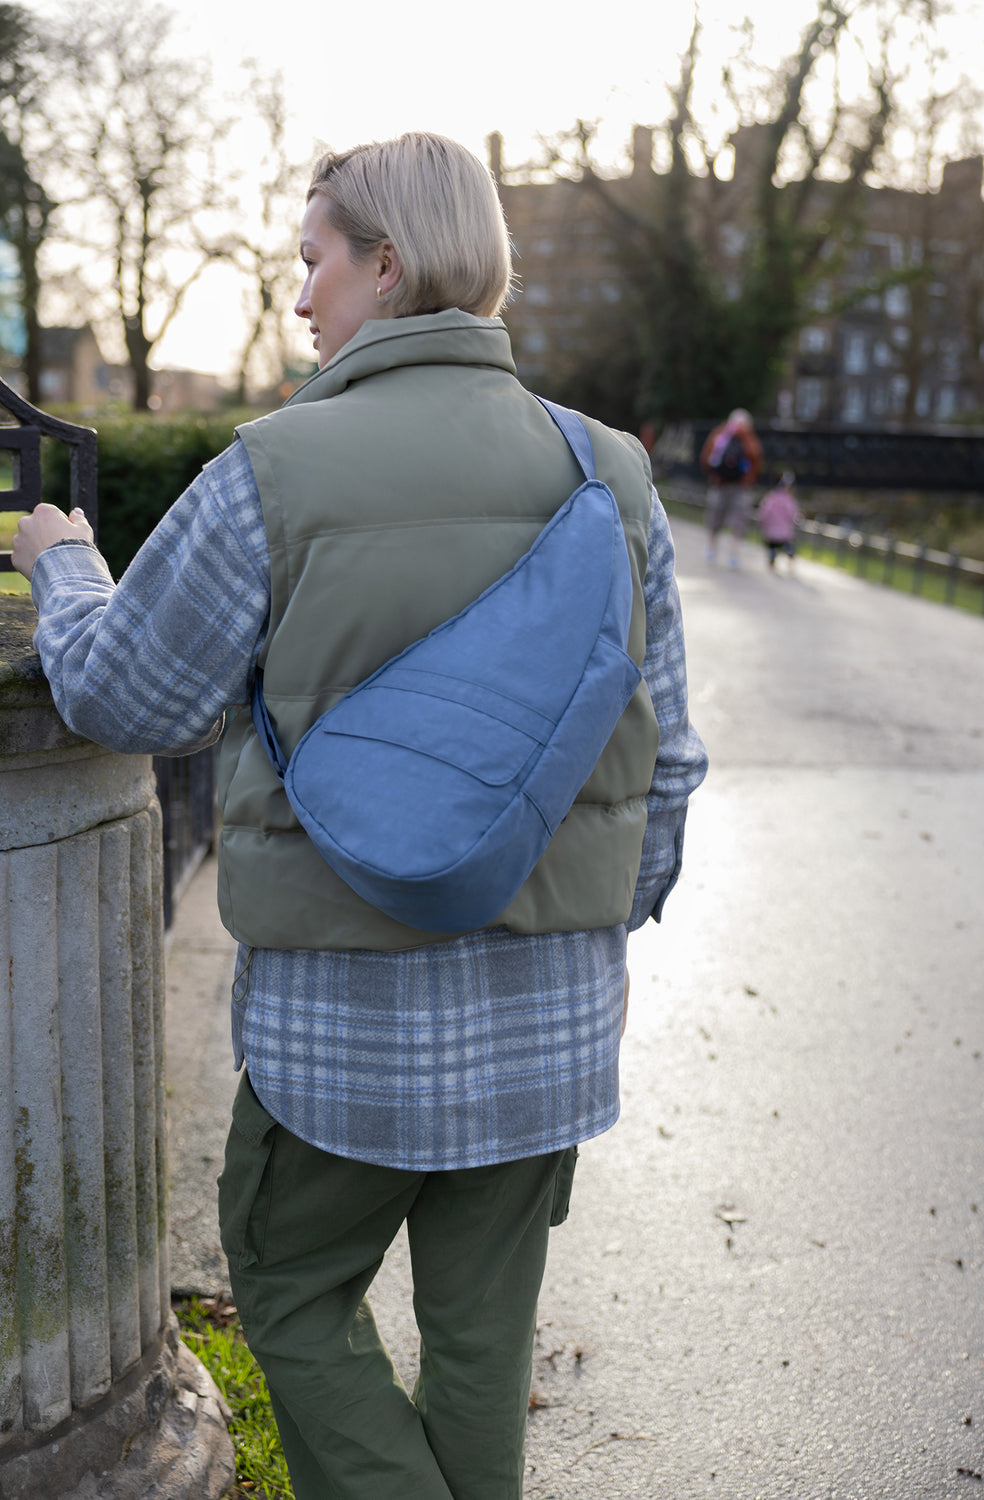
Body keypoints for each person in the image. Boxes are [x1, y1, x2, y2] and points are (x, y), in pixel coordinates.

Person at [14, 132, 708, 1500]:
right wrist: (612, 939)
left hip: (343, 1028)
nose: (298, 295)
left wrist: (63, 563)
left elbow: (126, 694)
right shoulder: (609, 475)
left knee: (287, 1289)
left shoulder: (275, 470)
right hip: (548, 1019)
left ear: (387, 264)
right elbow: (668, 758)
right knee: (479, 1343)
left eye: (313, 259)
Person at [699, 406, 763, 568]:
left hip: (724, 484)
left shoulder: (720, 434)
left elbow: (707, 457)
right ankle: (731, 554)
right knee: (735, 520)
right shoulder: (747, 438)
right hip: (736, 486)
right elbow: (756, 460)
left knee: (718, 517)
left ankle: (713, 550)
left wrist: (713, 474)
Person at [757, 471, 801, 571]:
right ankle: (791, 562)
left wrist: (762, 522)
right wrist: (795, 521)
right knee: (788, 547)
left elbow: (764, 512)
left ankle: (771, 564)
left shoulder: (770, 497)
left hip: (771, 530)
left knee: (772, 547)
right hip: (785, 531)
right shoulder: (788, 499)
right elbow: (792, 514)